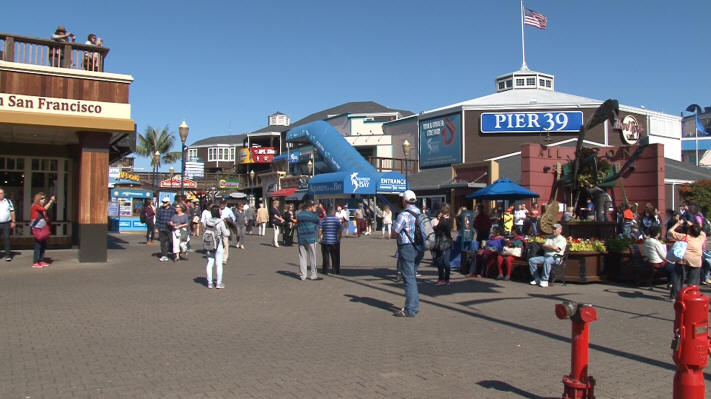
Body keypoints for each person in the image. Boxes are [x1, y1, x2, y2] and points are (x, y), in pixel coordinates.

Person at [392, 190, 425, 317]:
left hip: (407, 248)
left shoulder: (403, 215)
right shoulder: (420, 213)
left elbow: (394, 232)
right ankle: (414, 305)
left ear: (404, 201)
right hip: (420, 248)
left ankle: (410, 309)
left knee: (409, 279)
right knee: (412, 277)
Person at [668, 219, 706, 298]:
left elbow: (670, 232)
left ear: (689, 231)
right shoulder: (701, 238)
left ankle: (675, 296)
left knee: (678, 278)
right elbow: (702, 232)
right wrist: (691, 225)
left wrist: (678, 223)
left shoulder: (684, 237)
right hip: (696, 261)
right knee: (693, 280)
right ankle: (691, 296)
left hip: (683, 259)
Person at [528, 223, 567, 287]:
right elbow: (544, 246)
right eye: (553, 229)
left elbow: (557, 249)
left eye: (555, 229)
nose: (553, 230)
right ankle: (537, 278)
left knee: (548, 261)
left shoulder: (562, 239)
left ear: (560, 230)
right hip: (546, 256)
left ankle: (545, 280)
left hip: (557, 258)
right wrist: (552, 247)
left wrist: (549, 247)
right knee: (532, 260)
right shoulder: (549, 237)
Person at [204, 206, 230, 289]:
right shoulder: (220, 222)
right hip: (218, 244)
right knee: (219, 264)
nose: (221, 211)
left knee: (210, 263)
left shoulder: (207, 221)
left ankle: (210, 283)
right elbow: (225, 233)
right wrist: (229, 232)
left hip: (209, 243)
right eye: (220, 210)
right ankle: (218, 283)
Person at [296, 201, 321, 280]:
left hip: (301, 237)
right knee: (312, 257)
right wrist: (315, 211)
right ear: (309, 208)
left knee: (302, 257)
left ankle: (303, 275)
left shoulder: (299, 215)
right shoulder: (311, 215)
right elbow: (317, 219)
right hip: (311, 237)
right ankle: (313, 275)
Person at [30, 193, 55, 268]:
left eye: (44, 198)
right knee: (38, 245)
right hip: (37, 228)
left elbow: (44, 214)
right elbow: (45, 209)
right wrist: (50, 201)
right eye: (42, 198)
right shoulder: (35, 206)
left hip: (43, 227)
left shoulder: (40, 206)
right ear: (38, 199)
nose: (43, 200)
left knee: (43, 245)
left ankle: (41, 260)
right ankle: (35, 262)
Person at [432, 205, 453, 286]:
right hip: (442, 241)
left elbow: (444, 229)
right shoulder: (443, 219)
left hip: (444, 241)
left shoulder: (448, 220)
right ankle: (443, 279)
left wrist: (440, 221)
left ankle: (444, 279)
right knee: (441, 261)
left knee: (444, 261)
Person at [319, 204, 342, 275]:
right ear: (333, 212)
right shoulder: (337, 220)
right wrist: (339, 238)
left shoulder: (323, 220)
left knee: (325, 256)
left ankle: (325, 270)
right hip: (334, 240)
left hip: (325, 240)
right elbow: (340, 230)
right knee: (335, 256)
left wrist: (319, 238)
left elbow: (320, 230)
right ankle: (335, 270)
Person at [156, 197, 175, 262]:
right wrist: (156, 227)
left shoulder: (172, 209)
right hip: (161, 227)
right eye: (163, 202)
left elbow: (174, 218)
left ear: (169, 202)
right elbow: (157, 219)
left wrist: (172, 223)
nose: (164, 203)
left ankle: (174, 253)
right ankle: (164, 255)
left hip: (170, 228)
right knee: (162, 242)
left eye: (165, 202)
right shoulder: (160, 209)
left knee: (171, 241)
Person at [0, 188, 16, 261]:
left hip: (6, 223)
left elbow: (12, 211)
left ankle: (7, 255)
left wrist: (13, 221)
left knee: (6, 238)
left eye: (2, 193)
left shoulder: (8, 201)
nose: (1, 194)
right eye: (0, 193)